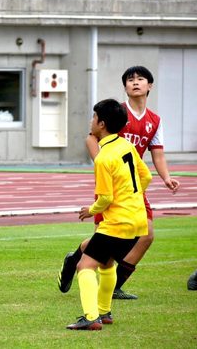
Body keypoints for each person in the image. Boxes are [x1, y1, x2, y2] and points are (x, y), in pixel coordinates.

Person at [58, 66, 180, 299]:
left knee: (146, 235)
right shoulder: (116, 113)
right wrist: (102, 164)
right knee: (106, 242)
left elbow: (158, 153)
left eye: (140, 79)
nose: (135, 82)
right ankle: (77, 261)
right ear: (124, 86)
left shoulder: (154, 120)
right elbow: (90, 138)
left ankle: (114, 286)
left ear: (150, 86)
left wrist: (166, 178)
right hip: (111, 186)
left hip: (133, 187)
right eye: (130, 79)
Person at [67, 98, 152, 330]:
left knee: (84, 267)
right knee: (106, 265)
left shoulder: (103, 158)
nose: (91, 122)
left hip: (116, 223)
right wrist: (132, 196)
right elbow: (146, 177)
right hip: (137, 222)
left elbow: (105, 198)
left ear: (101, 124)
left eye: (94, 118)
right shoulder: (127, 146)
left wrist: (90, 210)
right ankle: (104, 312)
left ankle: (90, 317)